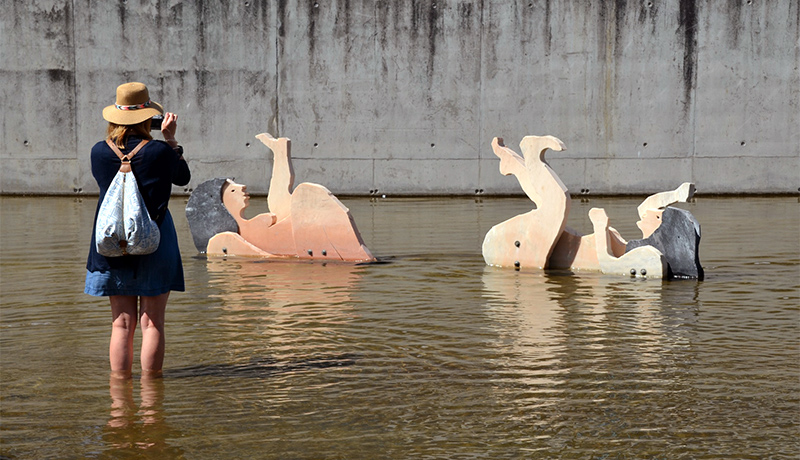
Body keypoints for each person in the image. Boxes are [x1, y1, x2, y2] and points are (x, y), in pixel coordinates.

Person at [85, 82, 191, 378]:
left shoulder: (98, 152)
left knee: (121, 322)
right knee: (152, 322)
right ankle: (152, 399)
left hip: (112, 242)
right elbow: (182, 178)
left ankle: (119, 400)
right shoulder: (159, 151)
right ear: (149, 118)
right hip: (155, 239)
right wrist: (171, 141)